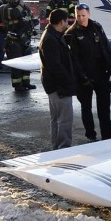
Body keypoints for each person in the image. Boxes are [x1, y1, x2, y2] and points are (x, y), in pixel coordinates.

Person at [66, 4, 111, 141]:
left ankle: (107, 132)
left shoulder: (97, 27)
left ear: (89, 14)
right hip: (84, 75)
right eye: (78, 16)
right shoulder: (72, 33)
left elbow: (106, 50)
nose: (81, 19)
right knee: (86, 108)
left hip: (101, 72)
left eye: (83, 15)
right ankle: (91, 135)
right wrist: (82, 77)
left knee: (104, 105)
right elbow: (74, 59)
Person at [38, 8, 76, 149]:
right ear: (61, 22)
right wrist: (69, 81)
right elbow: (56, 66)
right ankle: (63, 148)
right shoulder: (51, 39)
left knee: (55, 120)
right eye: (66, 22)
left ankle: (56, 147)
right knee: (65, 120)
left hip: (53, 86)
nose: (67, 25)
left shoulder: (50, 35)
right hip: (59, 87)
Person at [0, 0, 36, 91]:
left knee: (26, 63)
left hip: (25, 39)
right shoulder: (6, 8)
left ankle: (26, 82)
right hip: (14, 40)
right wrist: (21, 5)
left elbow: (29, 20)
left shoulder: (26, 8)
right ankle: (17, 85)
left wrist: (32, 27)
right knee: (17, 63)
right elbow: (15, 14)